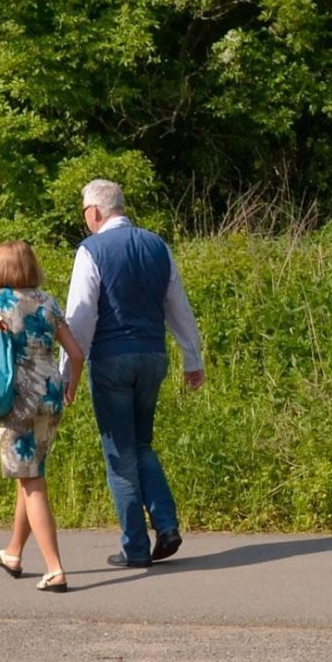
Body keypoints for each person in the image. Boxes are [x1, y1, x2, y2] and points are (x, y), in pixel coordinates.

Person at [64, 179, 204, 569]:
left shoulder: (91, 250)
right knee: (141, 445)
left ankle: (136, 547)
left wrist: (68, 372)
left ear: (94, 212)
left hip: (112, 359)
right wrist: (192, 359)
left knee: (120, 454)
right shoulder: (158, 246)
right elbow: (178, 307)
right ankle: (166, 524)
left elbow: (80, 316)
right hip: (152, 355)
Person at [0, 240, 83, 592]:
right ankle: (13, 553)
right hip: (50, 393)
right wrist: (72, 386)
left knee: (32, 482)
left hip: (17, 398)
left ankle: (55, 569)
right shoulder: (48, 301)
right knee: (31, 471)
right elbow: (76, 354)